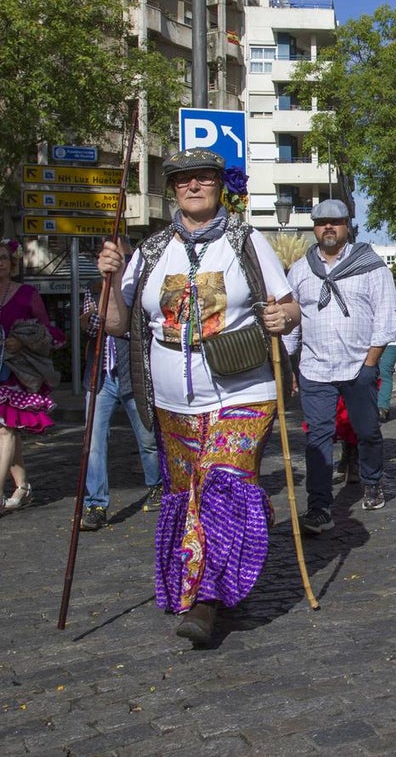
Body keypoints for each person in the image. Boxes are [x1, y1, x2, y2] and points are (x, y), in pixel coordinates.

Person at [95, 148, 301, 644]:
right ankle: (206, 579)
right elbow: (117, 324)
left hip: (244, 390)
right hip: (172, 402)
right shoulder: (148, 253)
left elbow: (289, 307)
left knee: (223, 484)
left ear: (218, 186)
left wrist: (283, 318)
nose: (193, 186)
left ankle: (206, 601)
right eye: (183, 179)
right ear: (172, 190)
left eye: (203, 178)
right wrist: (106, 279)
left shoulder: (247, 242)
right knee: (188, 494)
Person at [287, 199, 396, 528]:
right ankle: (319, 506)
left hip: (358, 366)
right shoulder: (300, 270)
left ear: (348, 226)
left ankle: (372, 480)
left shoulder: (372, 266)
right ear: (315, 228)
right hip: (314, 369)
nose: (328, 228)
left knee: (367, 431)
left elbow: (385, 319)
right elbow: (293, 321)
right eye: (322, 223)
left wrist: (370, 364)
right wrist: (291, 366)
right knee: (317, 438)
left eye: (336, 222)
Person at [77, 277, 162, 532]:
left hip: (131, 374)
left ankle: (156, 485)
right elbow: (91, 327)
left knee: (147, 437)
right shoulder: (93, 288)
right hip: (100, 376)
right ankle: (95, 504)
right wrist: (104, 316)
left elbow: (138, 328)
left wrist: (110, 321)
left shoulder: (139, 289)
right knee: (93, 442)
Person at [0, 238, 62, 513]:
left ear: (12, 263)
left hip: (17, 373)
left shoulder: (27, 293)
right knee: (8, 433)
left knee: (5, 429)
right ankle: (22, 487)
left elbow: (47, 332)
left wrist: (22, 342)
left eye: (3, 258)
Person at [376, 289, 396, 422]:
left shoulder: (395, 296)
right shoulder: (367, 291)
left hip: (391, 341)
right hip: (371, 341)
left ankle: (383, 407)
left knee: (384, 370)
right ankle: (373, 405)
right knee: (371, 374)